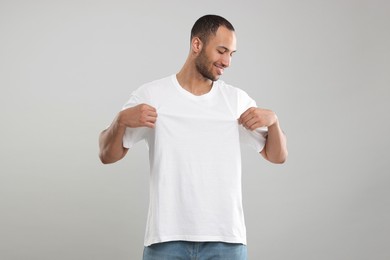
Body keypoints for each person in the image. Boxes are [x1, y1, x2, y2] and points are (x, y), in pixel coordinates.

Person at [99, 14, 287, 260]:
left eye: (232, 54)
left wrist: (273, 121)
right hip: (166, 240)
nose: (227, 61)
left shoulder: (236, 101)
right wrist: (121, 120)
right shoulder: (153, 95)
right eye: (222, 51)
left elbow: (277, 156)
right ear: (197, 45)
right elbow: (106, 155)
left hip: (225, 240)